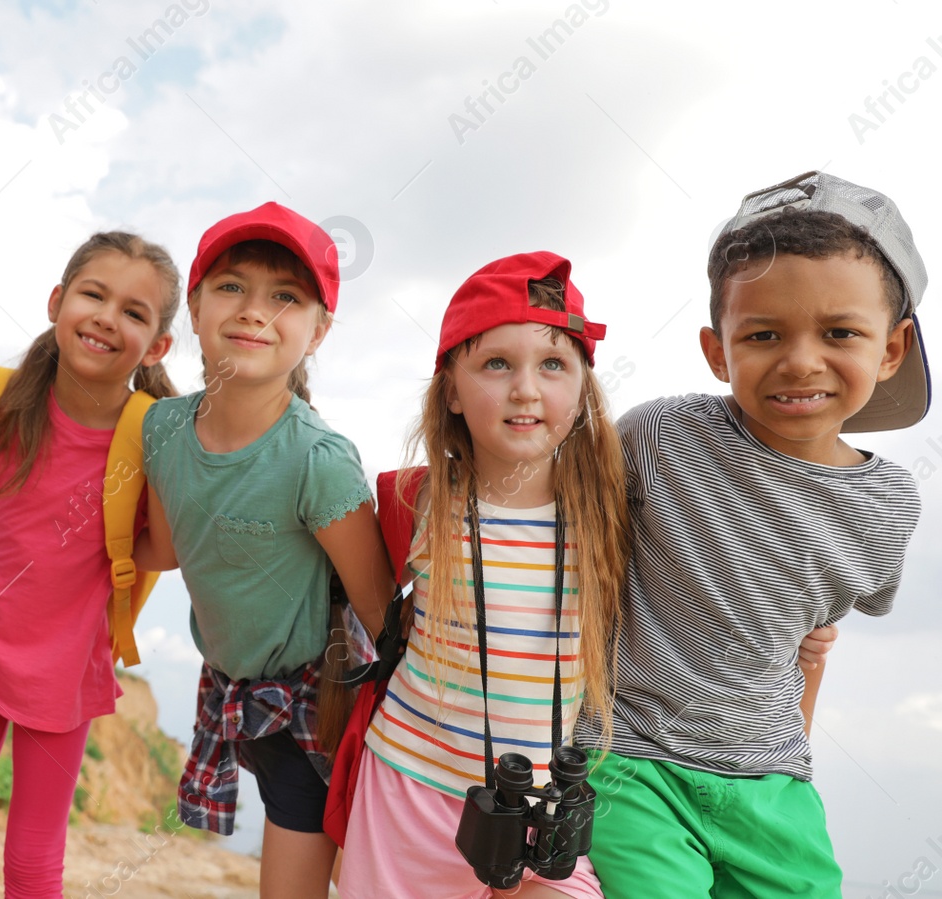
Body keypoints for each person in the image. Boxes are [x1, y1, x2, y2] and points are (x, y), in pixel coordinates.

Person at [576, 171, 927, 897]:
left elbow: (810, 636)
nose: (801, 359)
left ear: (890, 350)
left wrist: (791, 743)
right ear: (717, 349)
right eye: (764, 334)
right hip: (632, 762)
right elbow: (568, 541)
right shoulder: (658, 436)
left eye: (840, 333)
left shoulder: (888, 500)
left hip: (772, 781)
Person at [339, 252, 628, 898]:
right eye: (496, 363)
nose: (526, 388)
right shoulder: (415, 503)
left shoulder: (610, 512)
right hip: (410, 793)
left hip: (545, 804)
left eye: (553, 363)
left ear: (583, 385)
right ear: (450, 388)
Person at [138, 202, 397, 898]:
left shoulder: (317, 460)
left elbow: (383, 618)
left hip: (319, 705)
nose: (255, 310)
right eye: (232, 287)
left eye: (285, 296)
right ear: (192, 309)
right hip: (231, 687)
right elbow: (162, 549)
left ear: (319, 331)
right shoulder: (162, 427)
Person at [0, 231, 179, 898]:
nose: (106, 317)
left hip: (65, 669)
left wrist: (174, 459)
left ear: (158, 346)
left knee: (33, 863)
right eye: (93, 294)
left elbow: (163, 551)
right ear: (58, 301)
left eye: (134, 312)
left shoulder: (152, 435)